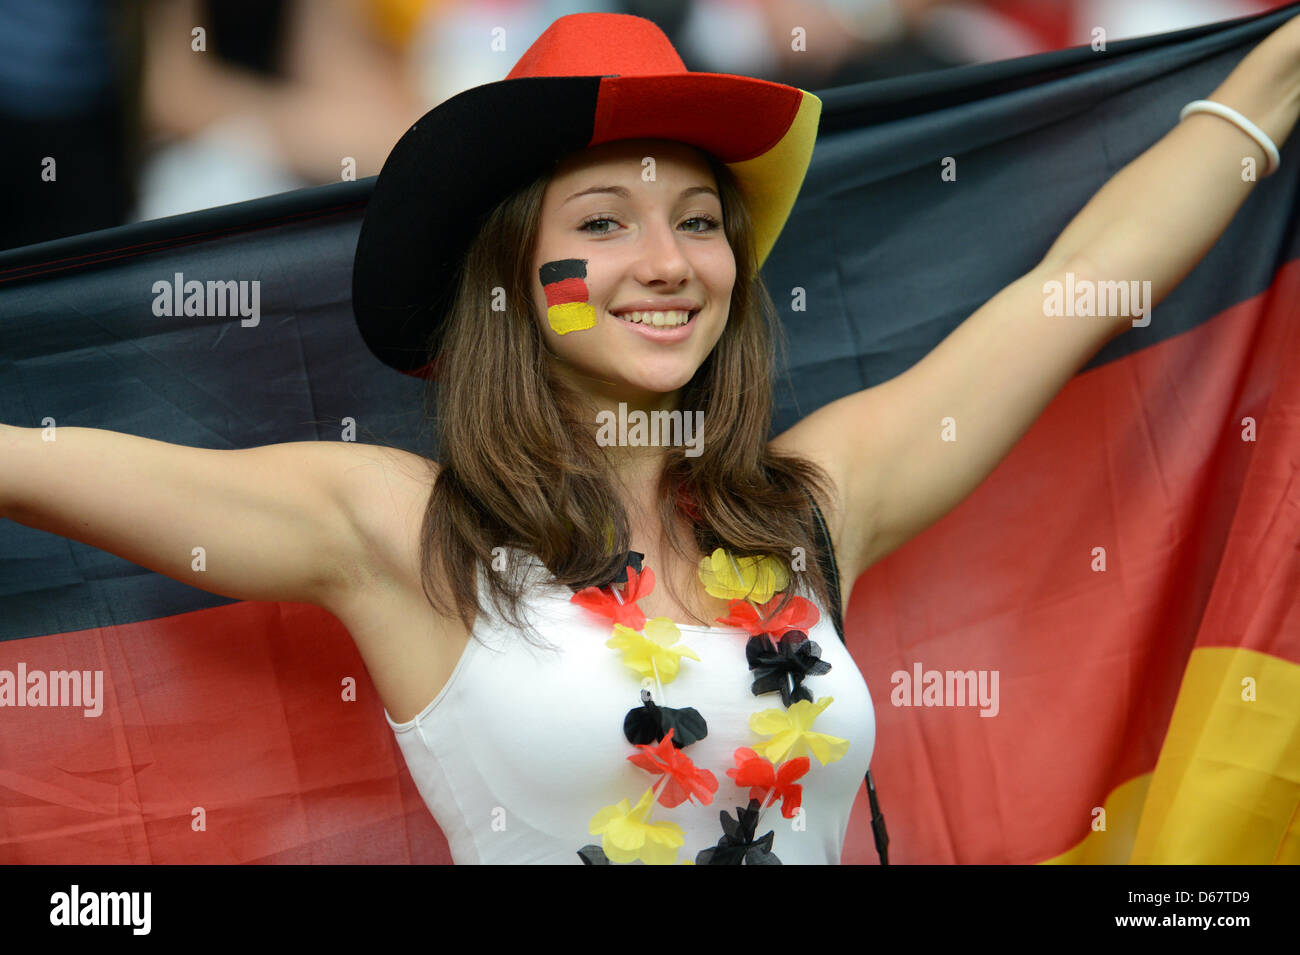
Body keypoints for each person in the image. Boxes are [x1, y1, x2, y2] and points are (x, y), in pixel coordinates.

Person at [1, 10, 1295, 864]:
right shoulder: (399, 529)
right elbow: (45, 467)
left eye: (698, 219)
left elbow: (1082, 280)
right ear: (513, 273)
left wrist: (1284, 68)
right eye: (605, 221)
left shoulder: (817, 505)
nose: (667, 262)